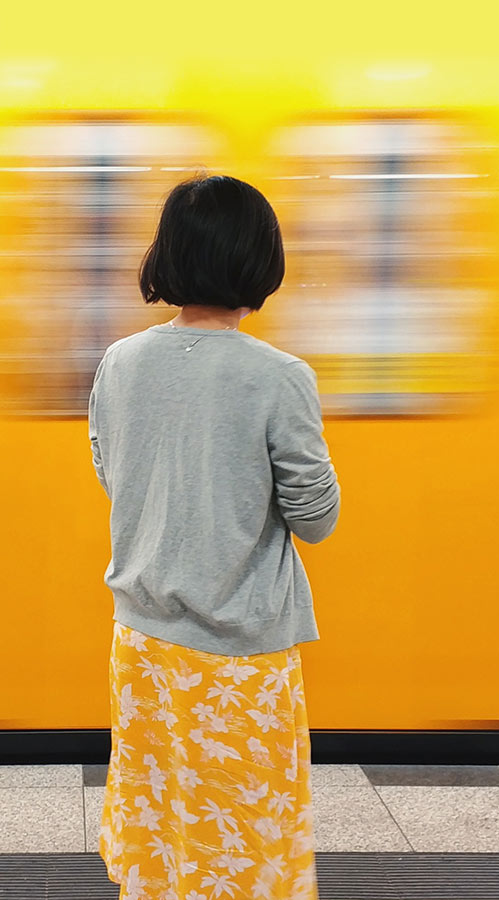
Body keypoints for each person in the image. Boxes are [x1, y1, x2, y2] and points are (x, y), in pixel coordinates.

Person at [88, 174, 340, 900]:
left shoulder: (119, 363)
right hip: (238, 656)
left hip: (140, 645)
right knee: (242, 841)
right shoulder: (279, 376)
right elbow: (316, 517)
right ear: (260, 262)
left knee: (166, 828)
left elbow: (116, 474)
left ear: (168, 255)